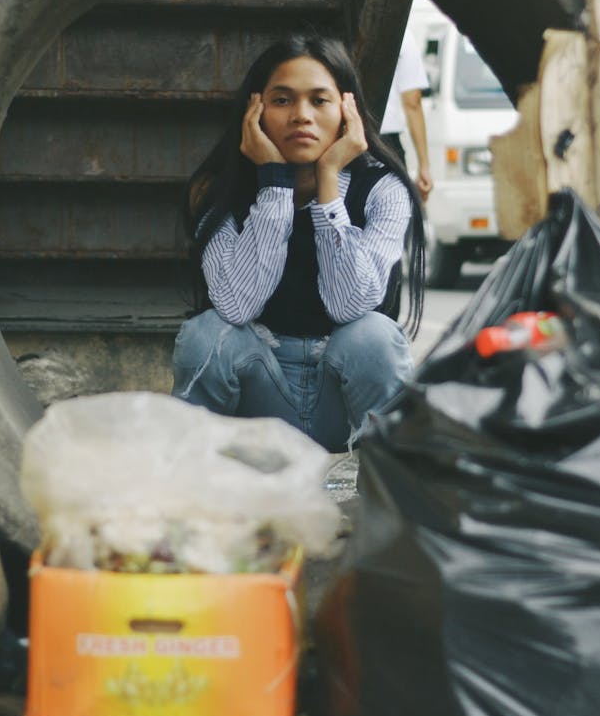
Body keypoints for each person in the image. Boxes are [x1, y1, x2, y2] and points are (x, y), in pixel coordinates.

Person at [172, 32, 426, 452]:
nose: (301, 116)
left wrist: (328, 185)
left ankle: (386, 482)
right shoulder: (218, 192)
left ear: (348, 110)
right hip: (259, 414)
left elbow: (352, 306)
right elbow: (235, 306)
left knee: (373, 335)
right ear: (255, 111)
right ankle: (195, 477)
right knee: (207, 333)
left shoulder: (383, 190)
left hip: (340, 406)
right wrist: (274, 185)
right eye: (283, 100)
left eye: (319, 100)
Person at [379, 27, 434, 204]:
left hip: (338, 141)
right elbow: (412, 102)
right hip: (385, 145)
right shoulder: (400, 33)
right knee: (392, 216)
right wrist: (424, 166)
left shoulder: (336, 25)